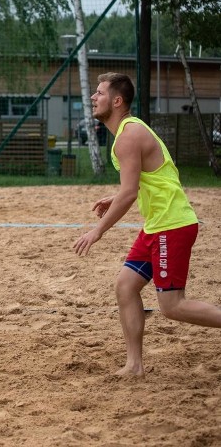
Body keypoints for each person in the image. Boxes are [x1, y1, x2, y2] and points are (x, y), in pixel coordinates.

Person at [73, 73, 221, 376]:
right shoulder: (128, 132)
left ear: (116, 101)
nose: (92, 97)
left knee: (172, 305)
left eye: (99, 93)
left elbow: (130, 192)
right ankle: (134, 365)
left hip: (172, 224)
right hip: (158, 224)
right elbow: (145, 181)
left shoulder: (128, 135)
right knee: (126, 287)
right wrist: (114, 197)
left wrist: (98, 230)